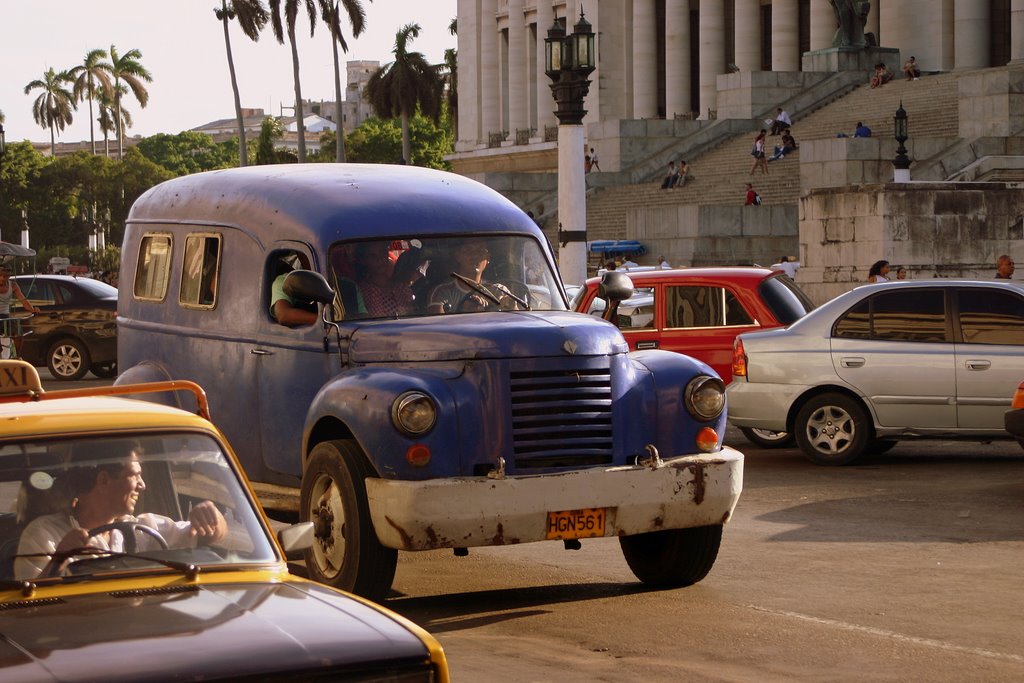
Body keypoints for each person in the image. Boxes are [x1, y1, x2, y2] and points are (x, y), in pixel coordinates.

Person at [15, 440, 227, 580]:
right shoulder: (43, 535)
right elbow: (27, 608)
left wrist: (211, 515)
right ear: (104, 480)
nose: (142, 485)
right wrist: (59, 559)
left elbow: (204, 534)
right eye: (134, 475)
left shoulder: (145, 528)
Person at [428, 239, 521, 314]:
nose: (475, 255)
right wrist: (463, 312)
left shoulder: (498, 291)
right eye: (468, 250)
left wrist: (512, 307)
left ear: (487, 258)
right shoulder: (442, 292)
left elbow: (516, 325)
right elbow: (438, 329)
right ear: (458, 256)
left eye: (480, 251)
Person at [355, 241, 414, 318]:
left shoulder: (401, 288)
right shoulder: (363, 292)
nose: (379, 259)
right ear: (364, 260)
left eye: (382, 253)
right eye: (373, 256)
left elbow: (413, 314)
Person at [0, 265, 40, 360]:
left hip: (5, 316)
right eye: (0, 275)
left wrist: (33, 309)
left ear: (9, 276)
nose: (2, 278)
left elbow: (23, 300)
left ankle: (16, 356)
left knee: (18, 334)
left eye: (5, 276)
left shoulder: (13, 285)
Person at [270, 253, 318, 326]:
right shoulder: (285, 280)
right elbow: (283, 315)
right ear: (301, 257)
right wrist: (320, 320)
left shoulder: (334, 278)